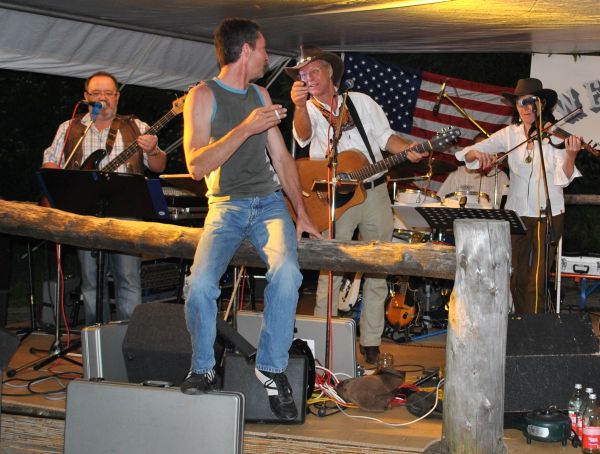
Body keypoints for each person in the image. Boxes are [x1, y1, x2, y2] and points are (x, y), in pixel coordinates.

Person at [181, 19, 321, 421]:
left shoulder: (261, 94)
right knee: (200, 285)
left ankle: (271, 367)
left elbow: (281, 158)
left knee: (287, 273)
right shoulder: (202, 96)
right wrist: (244, 128)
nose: (266, 56)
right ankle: (203, 367)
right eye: (263, 49)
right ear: (245, 50)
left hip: (269, 203)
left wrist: (301, 213)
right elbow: (196, 166)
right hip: (225, 205)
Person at [286, 45, 427, 365]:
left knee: (379, 265)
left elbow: (386, 138)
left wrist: (408, 149)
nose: (308, 78)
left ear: (330, 72)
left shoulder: (361, 101)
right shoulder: (307, 109)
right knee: (331, 268)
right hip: (335, 197)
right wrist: (298, 106)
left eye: (314, 71)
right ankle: (323, 338)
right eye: (303, 74)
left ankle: (371, 341)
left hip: (374, 190)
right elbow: (303, 137)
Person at [42, 71, 167, 324]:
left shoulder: (136, 126)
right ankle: (96, 339)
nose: (103, 98)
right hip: (85, 215)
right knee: (91, 282)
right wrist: (62, 186)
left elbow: (159, 166)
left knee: (128, 280)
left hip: (126, 214)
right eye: (96, 93)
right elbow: (50, 164)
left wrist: (153, 150)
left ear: (117, 97)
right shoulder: (69, 128)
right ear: (86, 96)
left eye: (108, 93)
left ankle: (128, 338)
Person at [456, 78, 582, 314]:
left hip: (548, 212)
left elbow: (563, 179)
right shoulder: (510, 134)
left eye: (530, 102)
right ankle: (520, 320)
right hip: (516, 211)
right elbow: (470, 153)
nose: (525, 108)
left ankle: (533, 325)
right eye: (520, 103)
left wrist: (571, 156)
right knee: (515, 272)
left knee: (538, 276)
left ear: (541, 104)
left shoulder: (554, 135)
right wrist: (477, 154)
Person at [437, 133, 509, 208]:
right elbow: (441, 200)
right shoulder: (457, 172)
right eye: (479, 149)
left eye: (486, 149)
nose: (482, 153)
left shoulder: (501, 176)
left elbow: (506, 206)